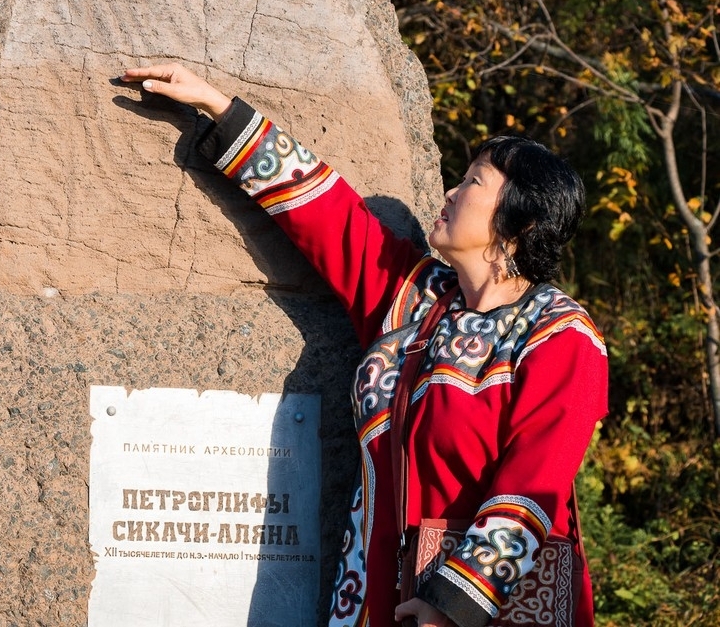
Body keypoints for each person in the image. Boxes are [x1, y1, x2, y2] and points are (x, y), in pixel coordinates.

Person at [117, 65, 608, 627]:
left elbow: (534, 486)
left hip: (474, 611)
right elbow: (329, 215)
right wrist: (217, 105)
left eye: (473, 181)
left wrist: (455, 603)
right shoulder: (413, 297)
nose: (450, 190)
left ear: (518, 221)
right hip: (373, 597)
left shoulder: (561, 336)